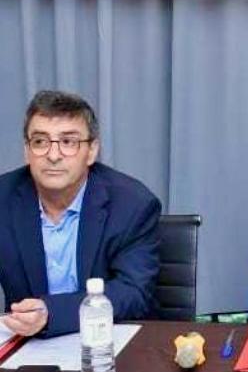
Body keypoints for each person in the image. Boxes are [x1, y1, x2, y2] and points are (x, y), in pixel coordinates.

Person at [0, 90, 161, 337]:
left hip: (107, 341)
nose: (53, 156)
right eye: (40, 142)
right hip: (26, 346)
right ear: (27, 150)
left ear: (92, 151)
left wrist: (50, 312)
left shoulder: (132, 205)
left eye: (68, 142)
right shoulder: (4, 198)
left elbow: (134, 293)